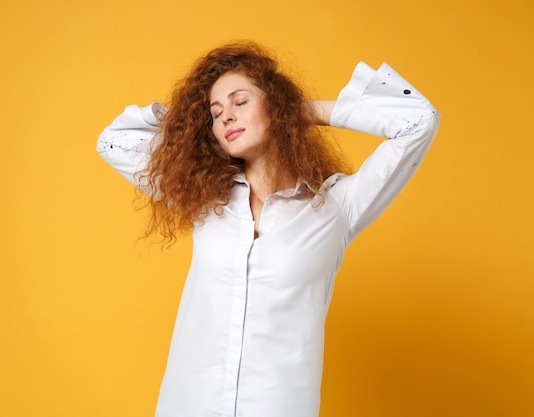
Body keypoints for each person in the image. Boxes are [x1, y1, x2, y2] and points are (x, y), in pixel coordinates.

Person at [97, 41, 440, 417]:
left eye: (240, 101)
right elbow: (114, 141)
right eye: (215, 112)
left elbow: (418, 121)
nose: (226, 117)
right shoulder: (203, 200)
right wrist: (188, 126)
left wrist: (299, 111)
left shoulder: (336, 207)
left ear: (275, 105)